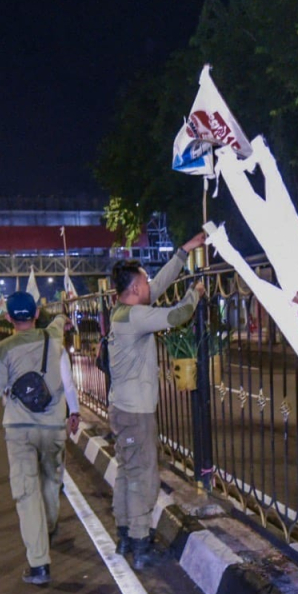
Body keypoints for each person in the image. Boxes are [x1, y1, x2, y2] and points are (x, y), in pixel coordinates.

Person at [107, 232, 207, 569]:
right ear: (134, 289)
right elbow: (177, 316)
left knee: (126, 471)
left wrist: (182, 253)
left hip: (121, 408)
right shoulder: (136, 318)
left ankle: (123, 535)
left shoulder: (122, 312)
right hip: (136, 413)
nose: (149, 285)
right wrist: (195, 295)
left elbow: (158, 288)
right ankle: (140, 542)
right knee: (143, 477)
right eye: (145, 281)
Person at [0, 291, 81, 586]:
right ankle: (48, 527)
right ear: (37, 314)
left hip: (19, 428)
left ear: (9, 318)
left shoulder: (3, 349)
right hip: (52, 426)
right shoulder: (53, 338)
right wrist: (73, 412)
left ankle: (39, 564)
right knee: (51, 480)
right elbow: (60, 322)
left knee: (26, 493)